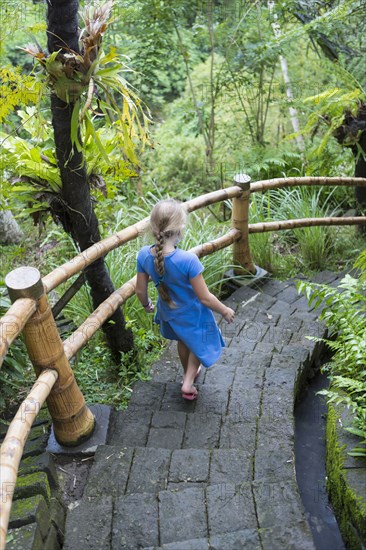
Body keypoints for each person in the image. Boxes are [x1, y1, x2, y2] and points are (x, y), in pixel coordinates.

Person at [136, 199, 235, 400]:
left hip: (169, 312)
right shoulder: (188, 260)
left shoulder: (143, 256)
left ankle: (188, 374)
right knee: (203, 341)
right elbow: (205, 298)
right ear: (180, 228)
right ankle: (188, 383)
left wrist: (146, 305)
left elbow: (140, 289)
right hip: (194, 313)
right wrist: (224, 310)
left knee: (184, 340)